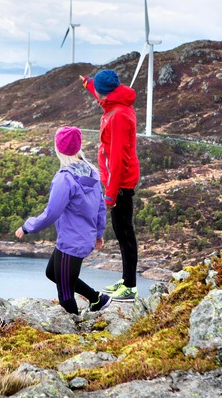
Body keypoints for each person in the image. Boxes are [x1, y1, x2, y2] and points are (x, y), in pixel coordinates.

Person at [15, 126, 110, 314]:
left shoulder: (65, 179)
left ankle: (75, 334)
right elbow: (100, 206)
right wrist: (98, 234)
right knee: (52, 273)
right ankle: (97, 299)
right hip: (79, 238)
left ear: (58, 149)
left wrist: (27, 227)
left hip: (72, 243)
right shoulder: (92, 172)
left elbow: (51, 213)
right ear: (78, 147)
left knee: (66, 295)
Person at [79, 69, 140, 301]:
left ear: (110, 94)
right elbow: (98, 90)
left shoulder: (119, 116)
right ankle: (126, 281)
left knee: (125, 234)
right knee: (121, 231)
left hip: (121, 183)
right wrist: (88, 83)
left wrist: (110, 196)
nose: (99, 99)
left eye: (102, 96)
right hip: (116, 181)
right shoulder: (112, 100)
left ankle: (130, 287)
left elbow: (118, 159)